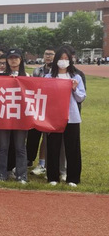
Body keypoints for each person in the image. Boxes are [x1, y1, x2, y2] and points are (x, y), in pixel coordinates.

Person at [45, 47, 86, 187]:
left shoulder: (76, 77)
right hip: (54, 118)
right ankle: (52, 177)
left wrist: (74, 89)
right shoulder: (49, 77)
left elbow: (81, 97)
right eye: (61, 58)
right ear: (56, 60)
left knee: (72, 148)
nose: (63, 61)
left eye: (66, 59)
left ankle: (73, 178)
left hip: (72, 117)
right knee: (53, 147)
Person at [0, 49, 29, 183]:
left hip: (20, 117)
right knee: (3, 146)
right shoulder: (0, 76)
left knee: (20, 147)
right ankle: (0, 174)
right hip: (4, 115)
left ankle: (22, 175)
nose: (13, 60)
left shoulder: (27, 76)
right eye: (11, 58)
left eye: (16, 58)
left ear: (21, 60)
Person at [28, 47, 55, 176]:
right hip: (37, 107)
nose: (48, 56)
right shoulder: (37, 70)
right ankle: (29, 160)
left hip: (51, 108)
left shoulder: (57, 72)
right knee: (33, 135)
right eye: (46, 53)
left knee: (46, 136)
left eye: (51, 54)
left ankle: (43, 163)